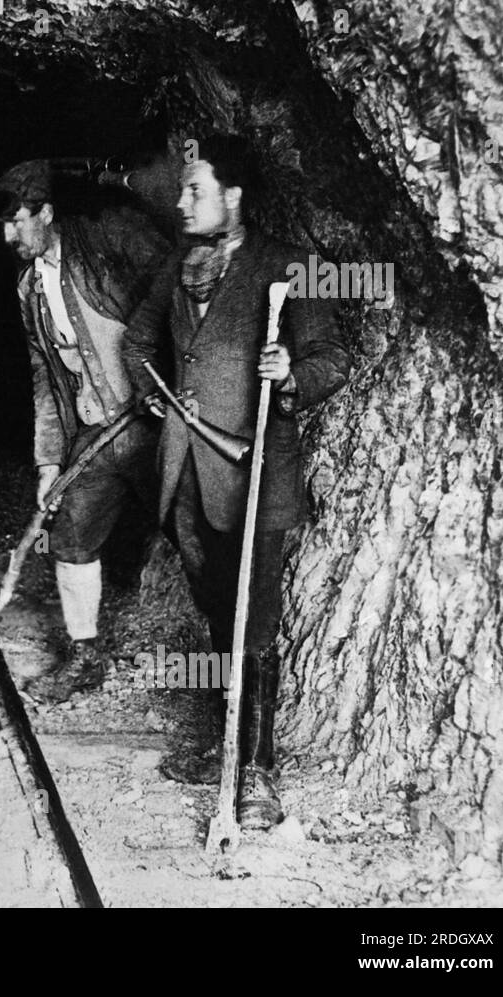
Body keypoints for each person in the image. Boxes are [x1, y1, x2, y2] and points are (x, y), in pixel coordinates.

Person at [124, 135, 351, 828]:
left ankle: (257, 769)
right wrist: (153, 392)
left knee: (253, 620)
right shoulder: (178, 264)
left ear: (234, 197)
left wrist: (289, 376)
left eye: (195, 189)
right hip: (183, 473)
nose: (182, 200)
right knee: (219, 610)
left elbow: (332, 357)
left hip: (255, 470)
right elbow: (137, 341)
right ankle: (227, 738)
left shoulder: (290, 264)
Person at [0, 159, 174, 702]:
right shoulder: (29, 289)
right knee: (70, 534)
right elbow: (44, 379)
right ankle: (85, 656)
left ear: (46, 212)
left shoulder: (106, 239)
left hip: (152, 423)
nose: (8, 235)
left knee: (192, 531)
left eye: (16, 220)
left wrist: (166, 378)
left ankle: (227, 666)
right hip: (92, 435)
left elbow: (177, 290)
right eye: (2, 225)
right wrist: (49, 460)